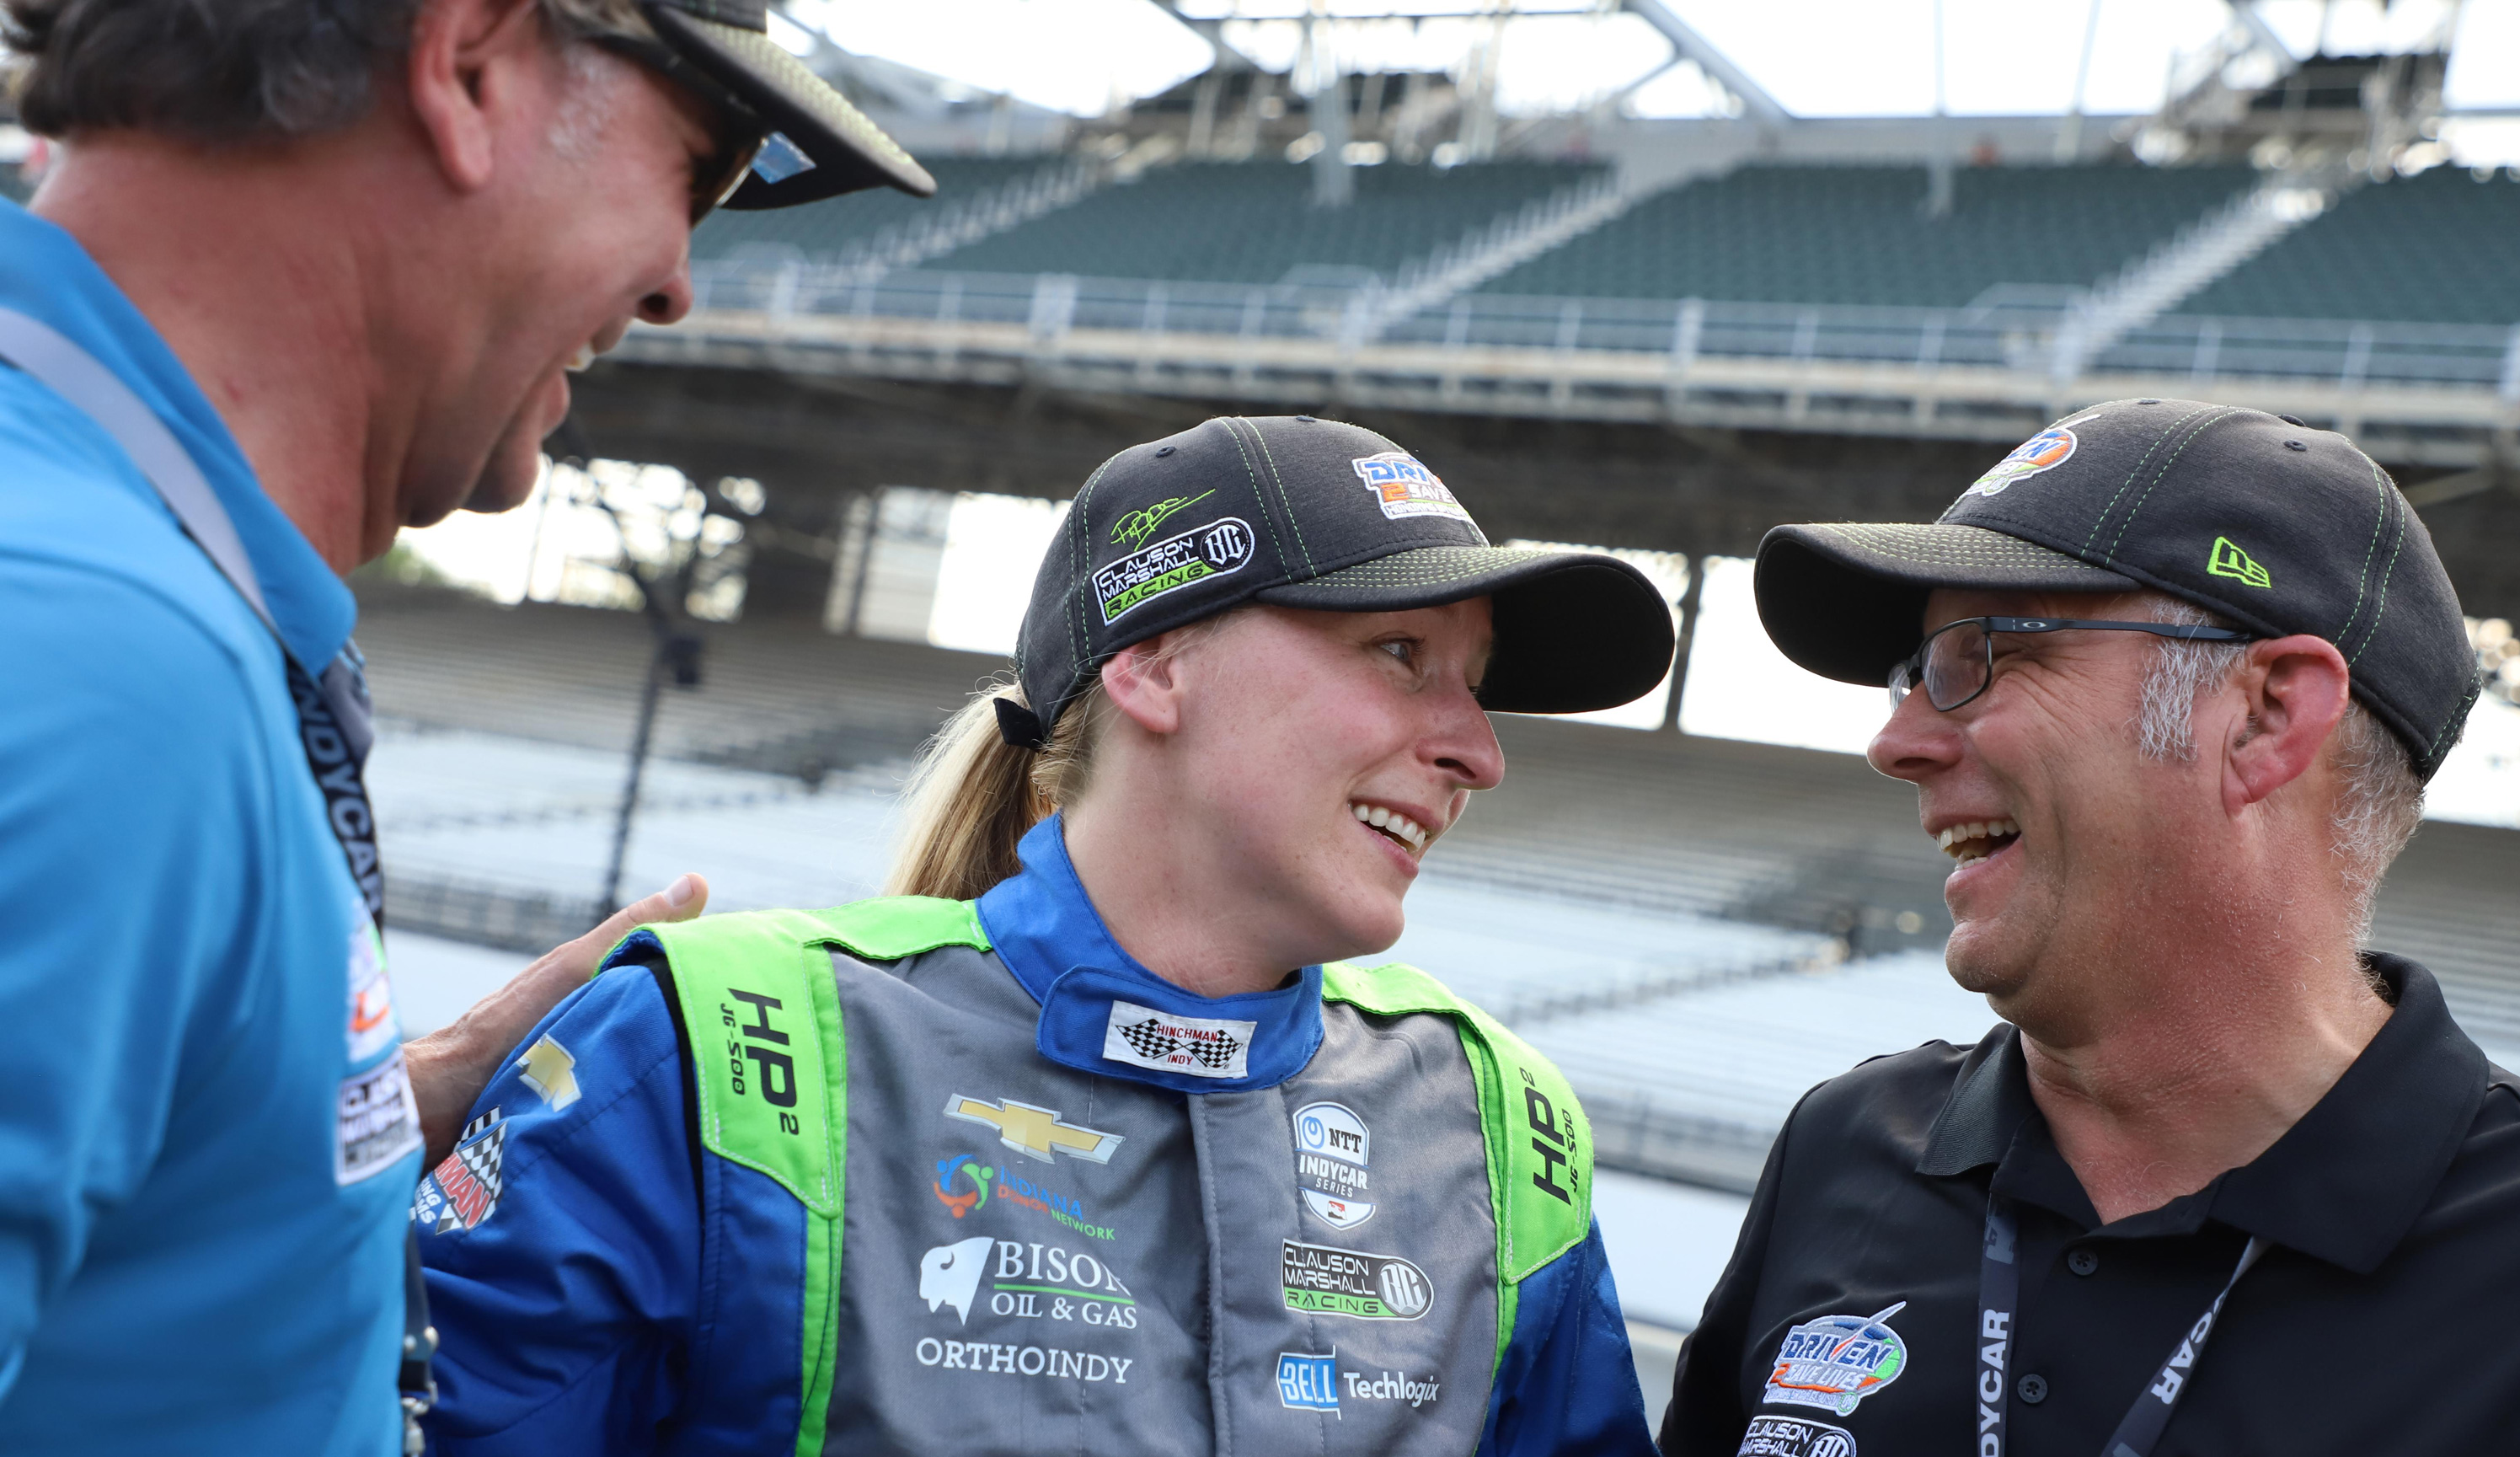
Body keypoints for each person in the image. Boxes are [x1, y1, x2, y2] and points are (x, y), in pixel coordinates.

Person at [0, 2, 934, 1452]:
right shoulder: (93, 651)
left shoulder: (125, 587)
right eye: (707, 162)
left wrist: (350, 1119)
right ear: (469, 62)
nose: (681, 280)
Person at [413, 415, 1678, 1454]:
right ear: (1156, 663)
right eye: (1401, 652)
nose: (1479, 750)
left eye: (1477, 681)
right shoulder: (714, 1047)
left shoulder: (1507, 1128)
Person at [1661, 398, 2520, 1456]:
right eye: (1909, 673)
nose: (1897, 739)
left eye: (1978, 655)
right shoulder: (1846, 1145)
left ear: (2267, 715)